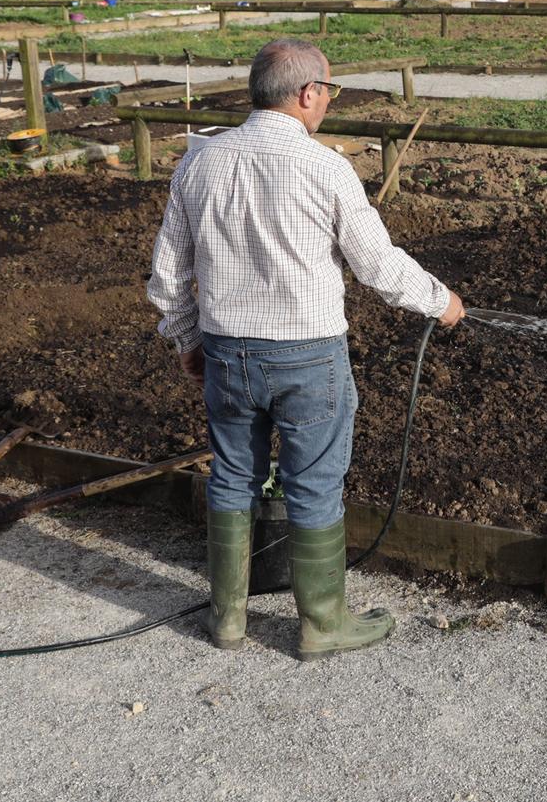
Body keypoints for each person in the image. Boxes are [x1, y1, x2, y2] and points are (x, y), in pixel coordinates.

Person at [147, 38, 465, 660]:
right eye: (329, 91)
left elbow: (166, 276)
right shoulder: (326, 168)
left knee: (233, 476)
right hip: (307, 356)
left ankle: (228, 622)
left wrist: (188, 340)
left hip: (228, 352)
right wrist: (440, 301)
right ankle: (322, 625)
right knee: (314, 484)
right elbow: (376, 265)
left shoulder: (200, 162)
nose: (327, 102)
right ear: (307, 93)